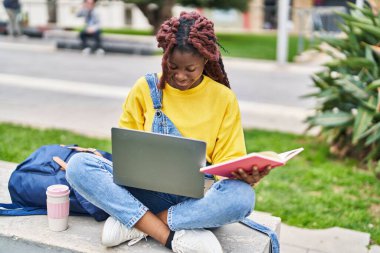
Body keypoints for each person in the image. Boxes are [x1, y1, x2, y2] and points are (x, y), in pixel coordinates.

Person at [65, 11, 271, 253]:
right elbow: (126, 150)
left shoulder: (223, 98)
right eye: (172, 67)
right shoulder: (145, 88)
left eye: (190, 69)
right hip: (144, 192)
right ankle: (169, 235)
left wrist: (243, 176)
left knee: (242, 198)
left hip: (197, 201)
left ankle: (139, 223)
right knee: (78, 166)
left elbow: (228, 160)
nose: (181, 76)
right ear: (164, 57)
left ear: (205, 60)